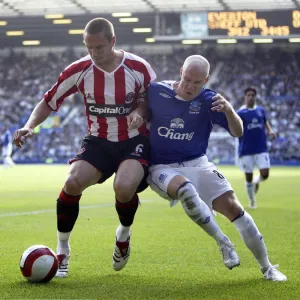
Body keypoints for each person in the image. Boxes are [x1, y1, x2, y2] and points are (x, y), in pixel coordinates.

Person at [13, 17, 156, 277]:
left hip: (133, 140)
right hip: (98, 141)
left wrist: (140, 110)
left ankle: (123, 235)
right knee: (72, 183)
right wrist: (30, 125)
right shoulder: (79, 70)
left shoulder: (138, 67)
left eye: (99, 47)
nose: (93, 53)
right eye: (88, 47)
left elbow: (152, 100)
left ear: (113, 41)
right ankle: (63, 249)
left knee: (124, 188)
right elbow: (48, 101)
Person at [146, 55, 287, 281]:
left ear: (206, 80)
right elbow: (137, 111)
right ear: (181, 71)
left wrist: (230, 111)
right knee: (186, 190)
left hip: (198, 163)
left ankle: (267, 267)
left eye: (197, 82)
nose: (190, 86)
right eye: (187, 79)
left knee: (236, 210)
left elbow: (238, 132)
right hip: (162, 166)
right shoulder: (156, 91)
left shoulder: (210, 101)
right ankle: (224, 242)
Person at [237, 87, 276, 209]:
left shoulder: (261, 110)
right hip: (246, 150)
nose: (250, 97)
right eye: (248, 95)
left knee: (265, 174)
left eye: (252, 95)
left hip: (261, 148)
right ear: (245, 97)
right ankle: (252, 201)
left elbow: (265, 122)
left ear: (256, 97)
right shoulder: (240, 113)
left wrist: (270, 131)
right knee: (248, 177)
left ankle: (256, 182)